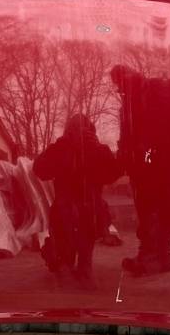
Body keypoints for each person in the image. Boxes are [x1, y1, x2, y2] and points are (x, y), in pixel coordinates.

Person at [112, 65, 170, 276]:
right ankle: (151, 256)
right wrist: (125, 158)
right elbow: (128, 135)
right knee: (150, 213)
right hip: (144, 167)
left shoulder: (153, 91)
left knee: (162, 211)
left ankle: (159, 258)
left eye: (119, 83)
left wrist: (157, 155)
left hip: (162, 166)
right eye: (118, 85)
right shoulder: (131, 100)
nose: (119, 89)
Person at [33, 114, 121, 282]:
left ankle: (72, 264)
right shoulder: (87, 149)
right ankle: (76, 264)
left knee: (70, 226)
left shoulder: (69, 148)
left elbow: (39, 169)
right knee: (77, 226)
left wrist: (62, 147)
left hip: (75, 208)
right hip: (82, 209)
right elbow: (113, 173)